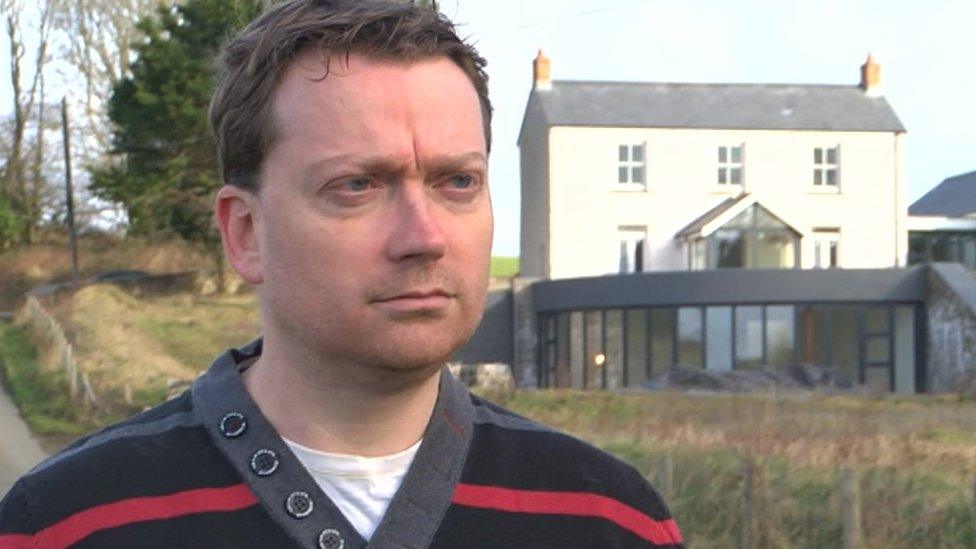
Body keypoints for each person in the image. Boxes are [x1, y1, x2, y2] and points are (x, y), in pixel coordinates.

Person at [0, 1, 682, 547]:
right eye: (357, 185)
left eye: (457, 181)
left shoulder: (609, 519)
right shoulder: (65, 523)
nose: (425, 236)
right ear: (245, 232)